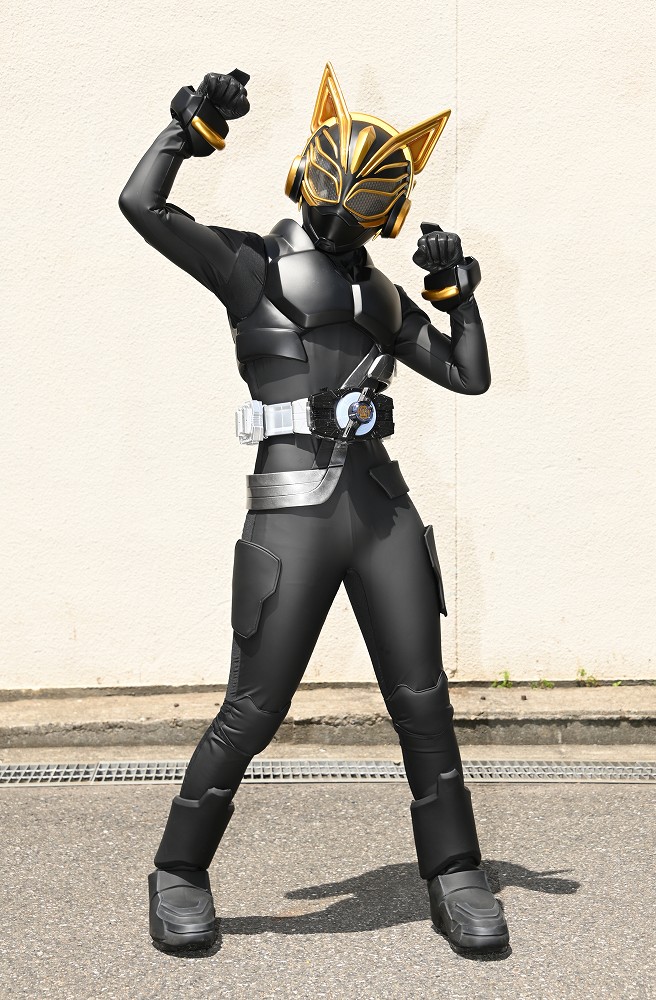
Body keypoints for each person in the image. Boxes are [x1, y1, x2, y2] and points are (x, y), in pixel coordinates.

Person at [118, 62, 509, 954]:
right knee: (253, 708)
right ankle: (178, 869)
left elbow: (467, 374)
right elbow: (142, 205)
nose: (347, 204)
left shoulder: (381, 295)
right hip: (293, 511)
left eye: (371, 191)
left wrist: (460, 296)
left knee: (424, 702)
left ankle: (456, 871)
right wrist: (190, 129)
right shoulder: (250, 267)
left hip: (380, 508)